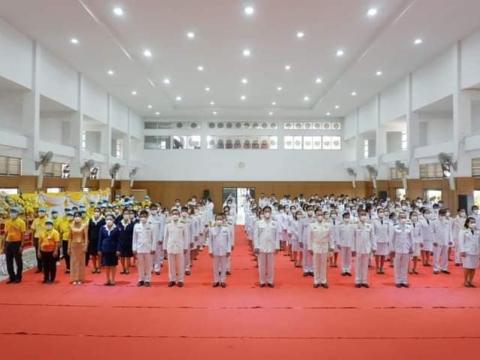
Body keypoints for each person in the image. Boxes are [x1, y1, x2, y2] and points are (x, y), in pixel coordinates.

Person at [307, 209, 334, 288]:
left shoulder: (328, 225)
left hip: (324, 245)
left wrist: (332, 247)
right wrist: (310, 247)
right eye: (318, 215)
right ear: (315, 216)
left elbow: (331, 237)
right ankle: (316, 281)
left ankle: (323, 280)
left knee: (323, 264)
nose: (320, 216)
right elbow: (309, 237)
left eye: (321, 214)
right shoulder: (312, 225)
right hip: (315, 245)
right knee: (316, 264)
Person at [253, 206, 280, 287]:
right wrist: (256, 246)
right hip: (261, 246)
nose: (267, 213)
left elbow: (277, 236)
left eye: (269, 211)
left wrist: (277, 247)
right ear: (263, 213)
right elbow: (255, 236)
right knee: (262, 265)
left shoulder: (275, 223)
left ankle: (270, 281)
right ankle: (262, 281)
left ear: (271, 213)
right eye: (266, 211)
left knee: (271, 265)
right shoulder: (258, 223)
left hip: (271, 246)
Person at [164, 208, 189, 287]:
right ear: (171, 215)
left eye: (176, 214)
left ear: (179, 215)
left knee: (180, 264)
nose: (175, 215)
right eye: (173, 214)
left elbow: (186, 236)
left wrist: (185, 247)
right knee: (171, 264)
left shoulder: (183, 224)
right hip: (170, 246)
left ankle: (180, 280)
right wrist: (165, 247)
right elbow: (165, 237)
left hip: (179, 246)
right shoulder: (168, 224)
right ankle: (172, 279)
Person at [352, 211, 376, 288]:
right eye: (362, 215)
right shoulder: (355, 226)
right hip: (358, 248)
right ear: (359, 216)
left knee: (365, 265)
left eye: (364, 215)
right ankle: (358, 281)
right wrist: (353, 249)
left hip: (367, 248)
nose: (363, 216)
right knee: (358, 265)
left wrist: (374, 247)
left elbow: (373, 237)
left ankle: (364, 281)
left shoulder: (370, 226)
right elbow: (353, 238)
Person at [208, 214, 232, 287]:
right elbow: (210, 241)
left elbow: (229, 241)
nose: (219, 221)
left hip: (224, 250)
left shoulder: (226, 229)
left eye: (220, 219)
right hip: (215, 250)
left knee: (224, 267)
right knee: (215, 267)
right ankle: (216, 280)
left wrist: (228, 250)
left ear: (222, 220)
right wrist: (210, 251)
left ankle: (223, 281)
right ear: (215, 220)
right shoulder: (212, 229)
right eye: (217, 219)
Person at [132, 210, 156, 287]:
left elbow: (154, 238)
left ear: (147, 217)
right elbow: (134, 238)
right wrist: (134, 248)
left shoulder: (151, 226)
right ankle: (141, 279)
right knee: (140, 265)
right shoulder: (136, 226)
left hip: (148, 248)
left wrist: (153, 248)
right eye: (141, 216)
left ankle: (148, 280)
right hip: (139, 248)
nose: (143, 218)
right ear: (139, 217)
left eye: (145, 216)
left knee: (148, 265)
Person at [390, 213, 414, 288]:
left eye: (404, 217)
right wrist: (392, 250)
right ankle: (398, 281)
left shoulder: (409, 227)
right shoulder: (395, 227)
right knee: (397, 266)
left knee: (405, 265)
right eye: (401, 217)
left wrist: (411, 248)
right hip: (397, 249)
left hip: (406, 248)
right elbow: (391, 239)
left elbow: (411, 239)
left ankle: (404, 281)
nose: (403, 219)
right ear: (398, 218)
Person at [3, 208, 26, 284]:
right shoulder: (7, 222)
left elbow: (23, 234)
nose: (12, 214)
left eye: (14, 212)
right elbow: (5, 234)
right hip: (8, 243)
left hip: (17, 243)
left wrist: (22, 245)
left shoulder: (21, 222)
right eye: (11, 212)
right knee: (9, 261)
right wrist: (4, 245)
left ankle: (18, 277)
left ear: (17, 213)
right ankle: (11, 277)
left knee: (18, 261)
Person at [97, 214, 121, 286]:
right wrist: (99, 249)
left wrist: (118, 249)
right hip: (105, 249)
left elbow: (119, 240)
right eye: (107, 219)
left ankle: (113, 279)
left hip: (114, 249)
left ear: (113, 220)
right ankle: (107, 279)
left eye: (110, 219)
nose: (109, 220)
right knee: (106, 265)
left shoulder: (117, 228)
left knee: (113, 265)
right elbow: (100, 239)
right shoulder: (102, 228)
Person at [459, 217, 480, 287]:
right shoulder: (463, 231)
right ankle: (465, 281)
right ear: (467, 223)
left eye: (474, 222)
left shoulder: (478, 231)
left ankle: (470, 281)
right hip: (467, 252)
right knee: (467, 267)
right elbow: (461, 241)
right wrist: (462, 251)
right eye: (471, 222)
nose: (473, 224)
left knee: (473, 267)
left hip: (476, 251)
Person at [38, 219, 60, 284]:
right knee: (45, 266)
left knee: (52, 266)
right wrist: (38, 251)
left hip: (52, 251)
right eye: (47, 224)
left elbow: (57, 242)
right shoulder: (42, 232)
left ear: (52, 225)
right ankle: (46, 278)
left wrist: (56, 251)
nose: (48, 225)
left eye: (49, 224)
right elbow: (39, 242)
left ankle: (52, 279)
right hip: (43, 251)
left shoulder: (55, 232)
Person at [68, 212, 88, 285]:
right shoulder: (71, 226)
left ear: (81, 217)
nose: (77, 217)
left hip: (81, 245)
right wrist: (68, 248)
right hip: (73, 245)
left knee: (81, 262)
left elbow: (86, 237)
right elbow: (69, 238)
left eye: (78, 216)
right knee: (73, 262)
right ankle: (74, 278)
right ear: (74, 217)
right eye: (75, 216)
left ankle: (80, 278)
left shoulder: (84, 225)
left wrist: (86, 246)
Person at [432, 209, 453, 275]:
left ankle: (444, 268)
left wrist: (450, 240)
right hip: (437, 241)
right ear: (439, 214)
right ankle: (436, 268)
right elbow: (432, 232)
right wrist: (434, 240)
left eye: (444, 214)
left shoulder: (448, 222)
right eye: (441, 214)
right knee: (436, 255)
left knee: (445, 255)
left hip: (446, 240)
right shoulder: (434, 222)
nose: (443, 215)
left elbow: (450, 231)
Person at [336, 212, 355, 276]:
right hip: (342, 243)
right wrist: (338, 243)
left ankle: (348, 270)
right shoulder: (340, 225)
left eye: (348, 217)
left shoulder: (352, 225)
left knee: (349, 257)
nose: (347, 219)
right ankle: (344, 270)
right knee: (343, 257)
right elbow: (338, 235)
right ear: (343, 218)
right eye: (346, 217)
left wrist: (354, 244)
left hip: (350, 243)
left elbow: (354, 235)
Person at [87, 207, 105, 273]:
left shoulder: (103, 220)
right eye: (95, 211)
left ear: (100, 213)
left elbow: (104, 230)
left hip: (100, 239)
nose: (96, 213)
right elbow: (89, 229)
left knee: (99, 254)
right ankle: (94, 267)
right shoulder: (91, 219)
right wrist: (88, 238)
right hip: (92, 239)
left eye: (98, 211)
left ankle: (99, 267)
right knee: (93, 254)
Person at [373, 208, 389, 274]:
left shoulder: (387, 221)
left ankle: (382, 267)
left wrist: (388, 240)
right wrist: (373, 241)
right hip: (377, 239)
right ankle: (377, 267)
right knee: (377, 254)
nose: (381, 213)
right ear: (377, 213)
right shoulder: (374, 221)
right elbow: (373, 232)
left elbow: (388, 231)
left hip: (385, 239)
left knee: (383, 254)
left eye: (382, 212)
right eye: (380, 212)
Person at [118, 209, 135, 275]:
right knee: (122, 256)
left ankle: (127, 269)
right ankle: (123, 268)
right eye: (125, 214)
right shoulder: (119, 223)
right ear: (122, 215)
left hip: (129, 242)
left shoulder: (132, 224)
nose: (126, 215)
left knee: (127, 256)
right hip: (121, 242)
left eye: (127, 214)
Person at [31, 208, 47, 273]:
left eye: (42, 211)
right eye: (40, 211)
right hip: (37, 238)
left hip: (44, 238)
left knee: (44, 252)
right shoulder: (35, 221)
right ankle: (39, 267)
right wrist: (32, 240)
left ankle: (44, 267)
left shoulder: (47, 220)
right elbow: (33, 230)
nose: (41, 213)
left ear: (45, 212)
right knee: (37, 253)